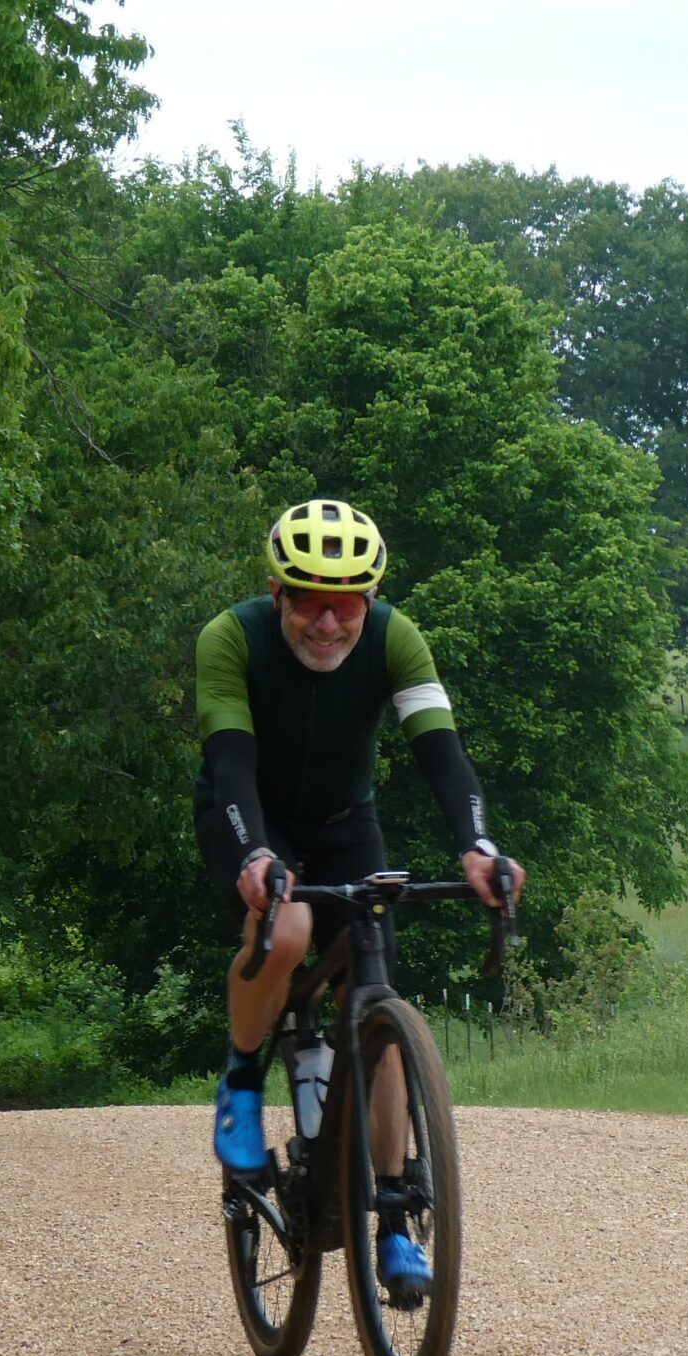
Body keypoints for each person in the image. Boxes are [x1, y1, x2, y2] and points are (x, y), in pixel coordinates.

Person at [193, 499, 522, 1294]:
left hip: (347, 825)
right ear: (278, 593)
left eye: (348, 603)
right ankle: (241, 1082)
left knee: (376, 998)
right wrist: (256, 854)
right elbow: (231, 762)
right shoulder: (230, 638)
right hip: (252, 821)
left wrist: (479, 847)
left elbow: (444, 755)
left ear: (371, 600)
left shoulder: (395, 638)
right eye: (310, 600)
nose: (329, 622)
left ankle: (397, 1224)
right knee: (291, 930)